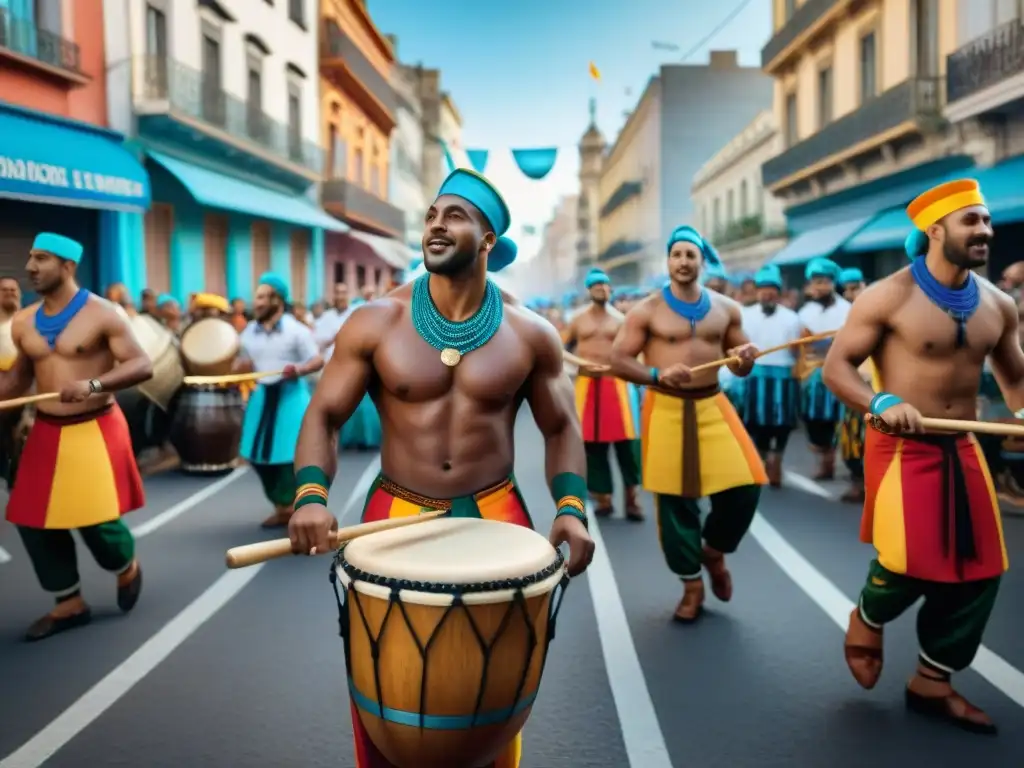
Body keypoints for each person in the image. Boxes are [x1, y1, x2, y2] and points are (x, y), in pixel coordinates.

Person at [287, 168, 595, 768]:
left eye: (454, 216)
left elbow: (561, 429)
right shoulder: (376, 321)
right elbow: (323, 413)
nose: (436, 224)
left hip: (496, 512)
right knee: (386, 686)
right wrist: (310, 496)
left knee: (494, 689)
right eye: (432, 214)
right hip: (394, 512)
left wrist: (572, 511)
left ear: (487, 242)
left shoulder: (531, 333)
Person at [823, 179, 1021, 734]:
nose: (984, 230)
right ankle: (868, 613)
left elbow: (1016, 381)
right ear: (935, 230)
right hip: (901, 446)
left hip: (963, 444)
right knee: (907, 562)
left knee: (982, 571)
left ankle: (932, 680)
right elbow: (836, 370)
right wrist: (880, 399)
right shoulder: (887, 296)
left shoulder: (998, 305)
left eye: (986, 220)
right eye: (971, 221)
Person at [610, 225, 766, 622]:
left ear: (701, 261)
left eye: (690, 255)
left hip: (714, 404)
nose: (683, 262)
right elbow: (619, 360)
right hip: (666, 407)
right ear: (668, 261)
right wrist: (656, 375)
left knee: (747, 486)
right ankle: (692, 584)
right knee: (675, 503)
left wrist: (745, 358)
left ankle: (714, 551)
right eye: (676, 255)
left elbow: (741, 363)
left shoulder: (726, 308)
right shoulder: (645, 310)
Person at [0, 233, 152, 641]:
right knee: (30, 517)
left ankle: (125, 565)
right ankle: (68, 602)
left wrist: (95, 384)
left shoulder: (104, 313)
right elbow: (18, 380)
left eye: (42, 258)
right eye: (29, 256)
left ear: (69, 266)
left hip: (95, 427)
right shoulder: (24, 321)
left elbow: (142, 364)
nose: (30, 266)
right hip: (46, 428)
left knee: (95, 519)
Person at [234, 273, 323, 528]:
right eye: (257, 297)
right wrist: (239, 368)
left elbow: (317, 360)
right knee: (255, 454)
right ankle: (282, 505)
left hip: (291, 398)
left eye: (262, 297)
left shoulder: (296, 330)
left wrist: (298, 370)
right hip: (261, 396)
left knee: (288, 456)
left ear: (278, 300)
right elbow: (244, 361)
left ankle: (291, 506)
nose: (257, 302)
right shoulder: (249, 331)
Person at [563, 268, 642, 520]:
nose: (602, 289)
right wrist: (579, 364)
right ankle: (604, 499)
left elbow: (634, 352)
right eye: (597, 285)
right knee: (592, 446)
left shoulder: (622, 320)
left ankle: (632, 500)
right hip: (587, 386)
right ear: (589, 290)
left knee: (628, 445)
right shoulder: (577, 320)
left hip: (617, 385)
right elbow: (559, 347)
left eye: (606, 285)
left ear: (611, 290)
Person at [739, 264, 802, 487]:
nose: (767, 293)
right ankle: (763, 460)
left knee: (783, 423)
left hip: (783, 375)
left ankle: (777, 460)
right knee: (757, 421)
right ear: (756, 292)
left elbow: (796, 351)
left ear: (778, 292)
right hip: (756, 375)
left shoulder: (792, 318)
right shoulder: (744, 315)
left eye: (771, 288)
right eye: (763, 288)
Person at [796, 258, 851, 479]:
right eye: (815, 282)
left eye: (823, 281)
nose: (818, 287)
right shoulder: (804, 312)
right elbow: (800, 345)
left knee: (838, 418)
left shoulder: (848, 309)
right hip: (812, 375)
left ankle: (833, 462)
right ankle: (823, 460)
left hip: (840, 371)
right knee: (814, 419)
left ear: (832, 283)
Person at [834, 268, 872, 503]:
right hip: (853, 384)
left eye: (855, 287)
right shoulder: (844, 314)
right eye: (846, 289)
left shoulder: (881, 309)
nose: (850, 294)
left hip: (879, 386)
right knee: (851, 439)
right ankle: (859, 483)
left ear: (864, 285)